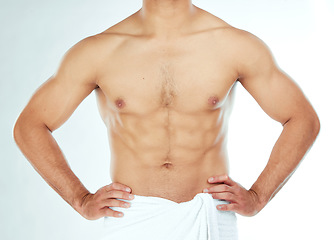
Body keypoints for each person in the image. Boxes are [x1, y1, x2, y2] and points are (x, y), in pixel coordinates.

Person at [13, 0, 320, 239]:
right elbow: (30, 126)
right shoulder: (98, 51)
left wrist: (258, 196)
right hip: (132, 220)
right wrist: (80, 199)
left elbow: (302, 118)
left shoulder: (234, 45)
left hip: (209, 218)